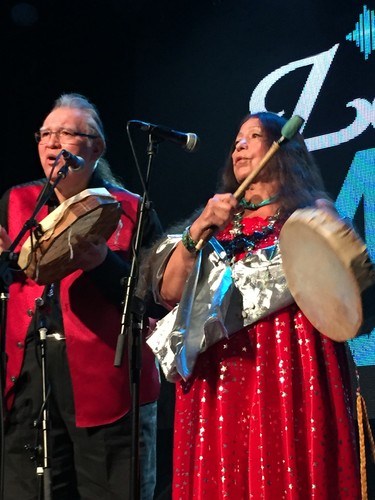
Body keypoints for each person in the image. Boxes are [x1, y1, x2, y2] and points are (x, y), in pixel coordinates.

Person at [146, 112, 363, 498]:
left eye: (253, 136)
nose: (239, 146)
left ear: (284, 149)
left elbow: (347, 279)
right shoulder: (217, 222)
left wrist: (323, 219)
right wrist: (198, 231)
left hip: (291, 364)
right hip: (221, 372)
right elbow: (169, 291)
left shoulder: (311, 212)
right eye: (236, 141)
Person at [0, 93, 162, 499]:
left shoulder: (129, 210)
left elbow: (155, 304)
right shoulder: (16, 202)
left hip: (106, 388)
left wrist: (103, 263)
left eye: (67, 134)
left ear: (96, 147)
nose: (53, 143)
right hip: (29, 383)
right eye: (46, 134)